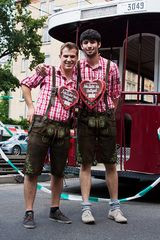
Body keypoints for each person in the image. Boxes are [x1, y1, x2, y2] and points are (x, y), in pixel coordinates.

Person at [21, 42, 79, 229]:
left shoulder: (78, 81)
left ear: (77, 59)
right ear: (60, 56)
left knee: (58, 172)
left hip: (63, 129)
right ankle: (29, 212)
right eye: (66, 56)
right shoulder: (47, 70)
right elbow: (25, 84)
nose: (69, 59)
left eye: (72, 56)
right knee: (32, 171)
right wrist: (31, 107)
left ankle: (55, 209)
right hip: (41, 125)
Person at [77, 29, 127, 224]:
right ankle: (86, 209)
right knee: (85, 163)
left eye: (93, 42)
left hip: (106, 117)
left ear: (99, 44)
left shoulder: (111, 67)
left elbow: (116, 95)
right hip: (84, 118)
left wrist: (108, 113)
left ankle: (115, 208)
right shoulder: (77, 67)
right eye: (86, 42)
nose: (89, 45)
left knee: (111, 163)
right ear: (82, 46)